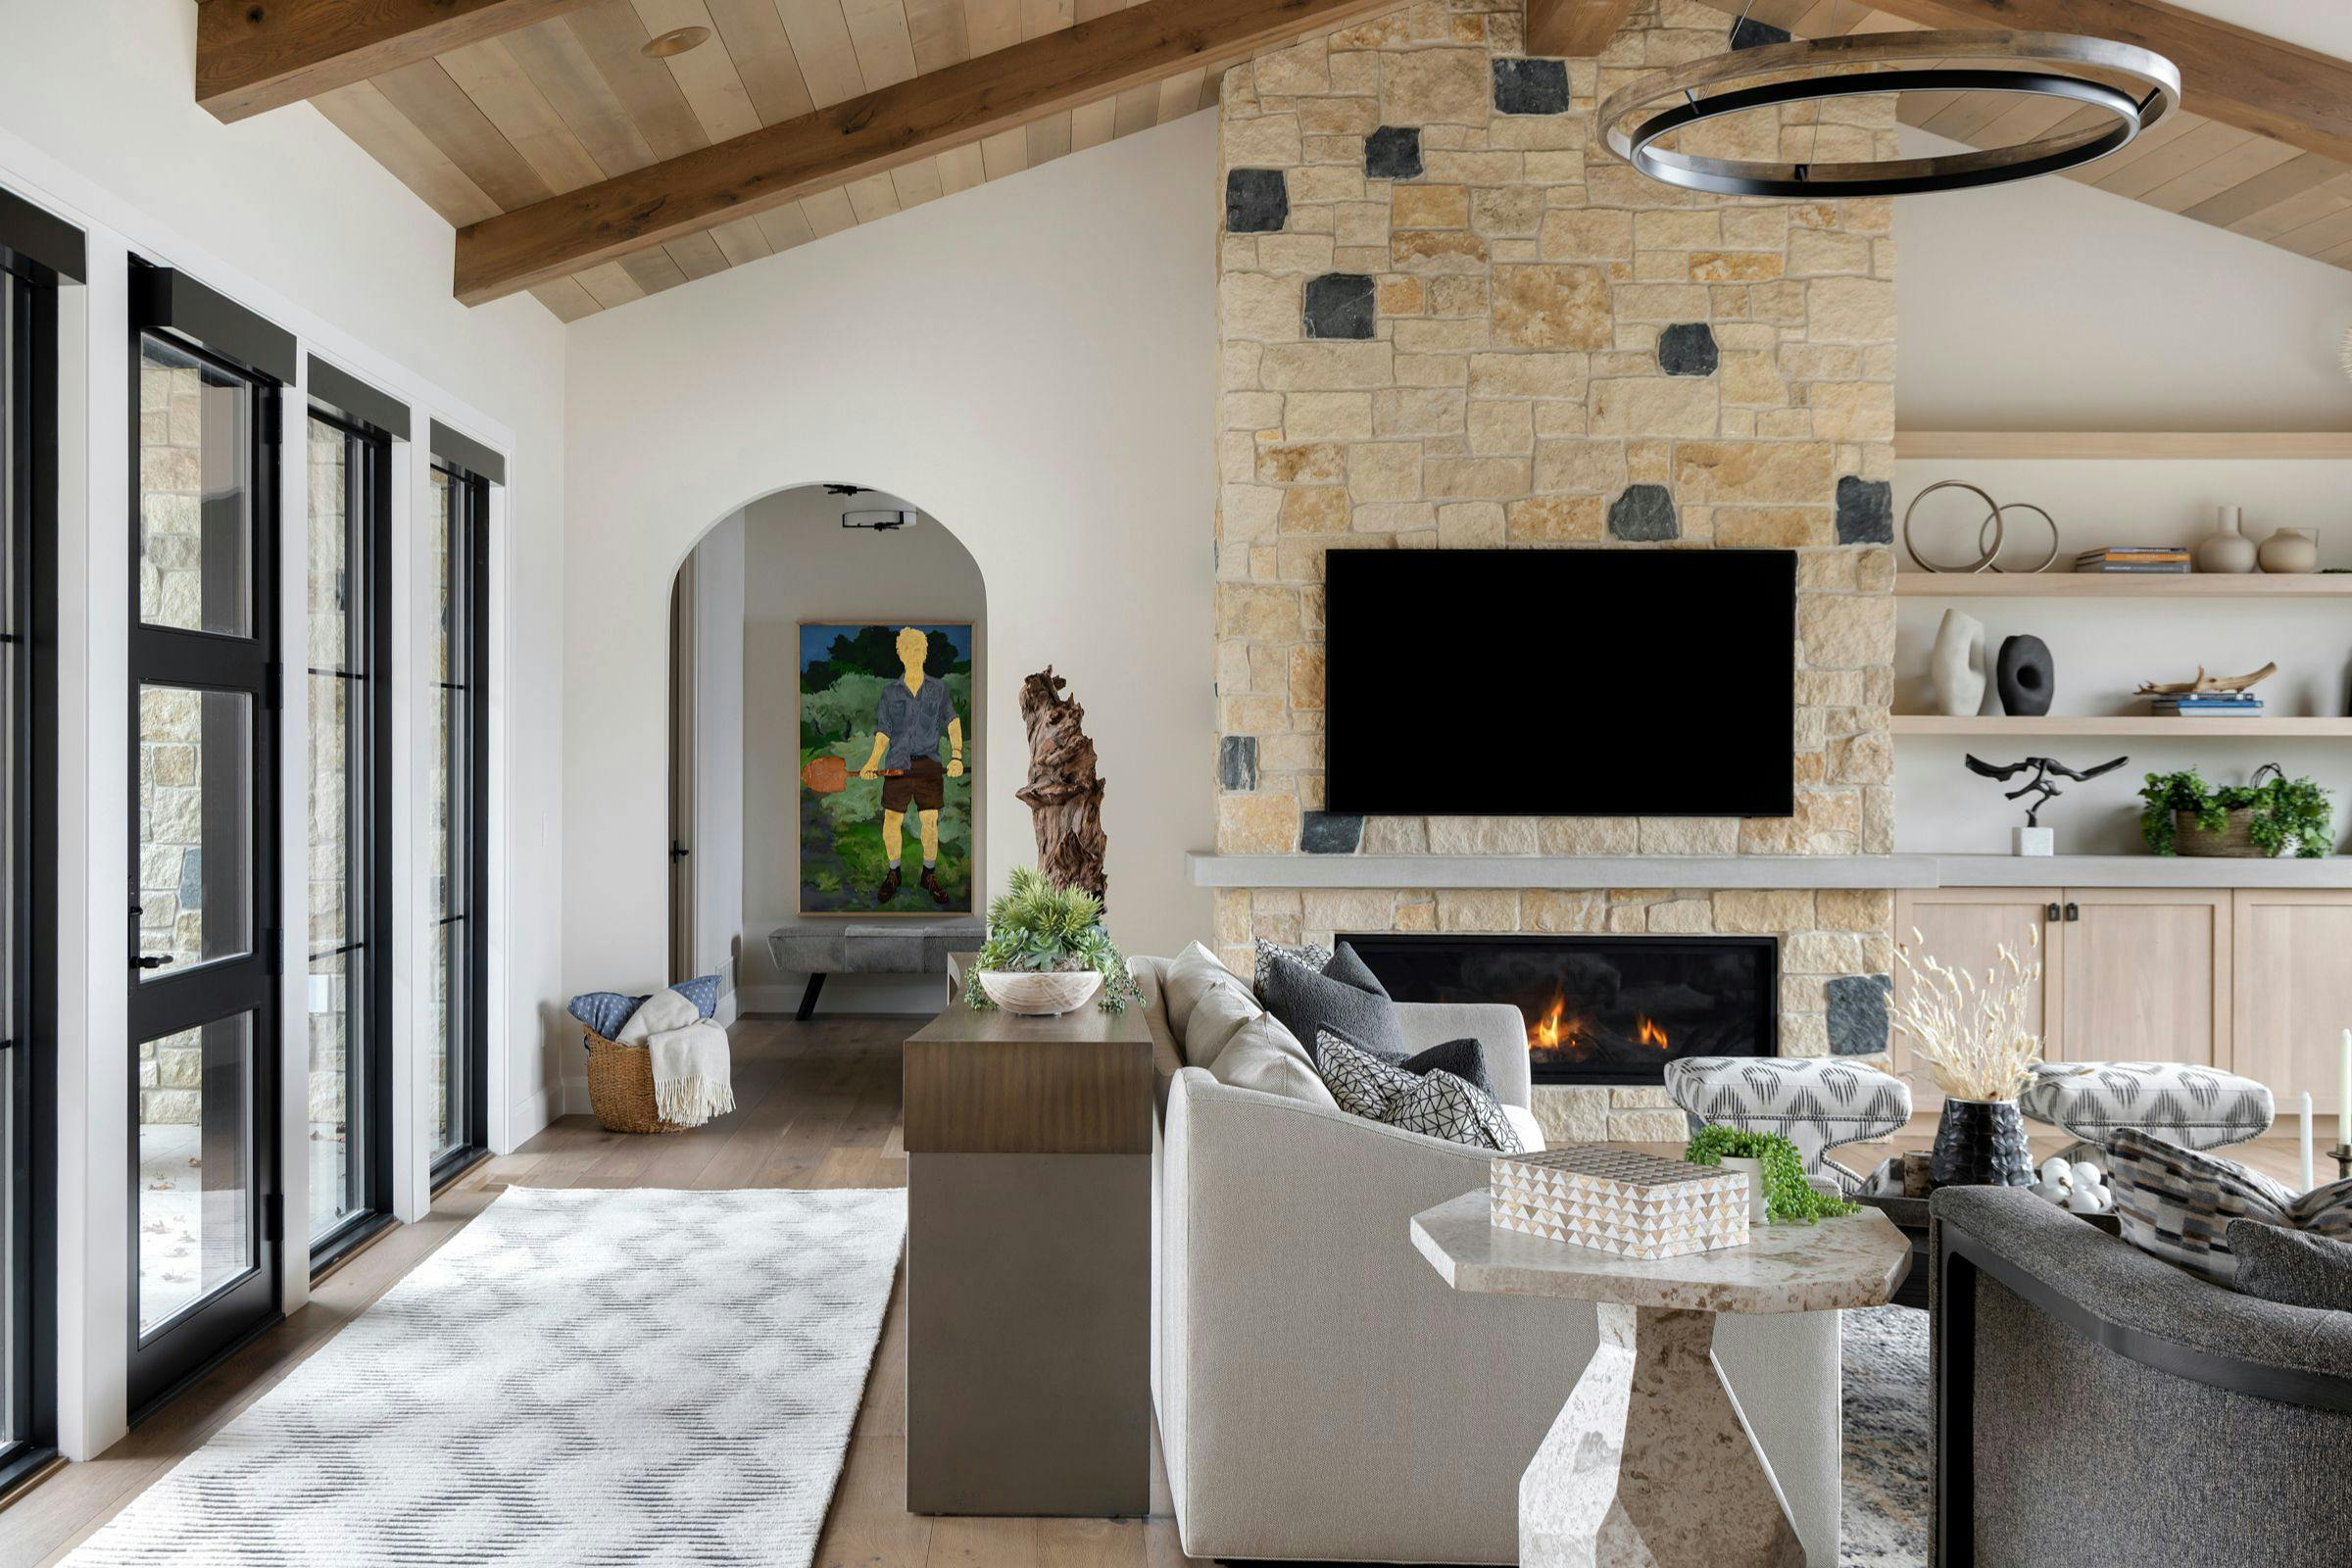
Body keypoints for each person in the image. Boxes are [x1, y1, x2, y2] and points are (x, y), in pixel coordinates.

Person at [857, 626, 964, 906]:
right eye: (908, 649)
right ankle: (894, 873)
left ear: (925, 653)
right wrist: (871, 764)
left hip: (929, 765)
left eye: (919, 649)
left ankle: (929, 874)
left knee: (930, 822)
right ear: (900, 653)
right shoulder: (890, 693)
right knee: (892, 822)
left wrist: (956, 756)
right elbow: (883, 734)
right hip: (897, 765)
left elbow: (952, 722)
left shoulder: (938, 689)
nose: (914, 655)